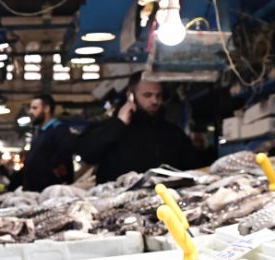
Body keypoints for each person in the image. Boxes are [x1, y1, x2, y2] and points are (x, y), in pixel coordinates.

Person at [75, 73, 203, 183]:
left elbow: (191, 168)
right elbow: (87, 153)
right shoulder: (110, 127)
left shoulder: (173, 133)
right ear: (130, 96)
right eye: (147, 95)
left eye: (158, 95)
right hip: (117, 206)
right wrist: (119, 123)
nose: (155, 101)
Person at [21, 93, 76, 192]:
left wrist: (53, 174)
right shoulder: (40, 132)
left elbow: (66, 152)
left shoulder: (59, 129)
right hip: (34, 191)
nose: (30, 111)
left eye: (34, 108)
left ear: (46, 109)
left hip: (49, 191)